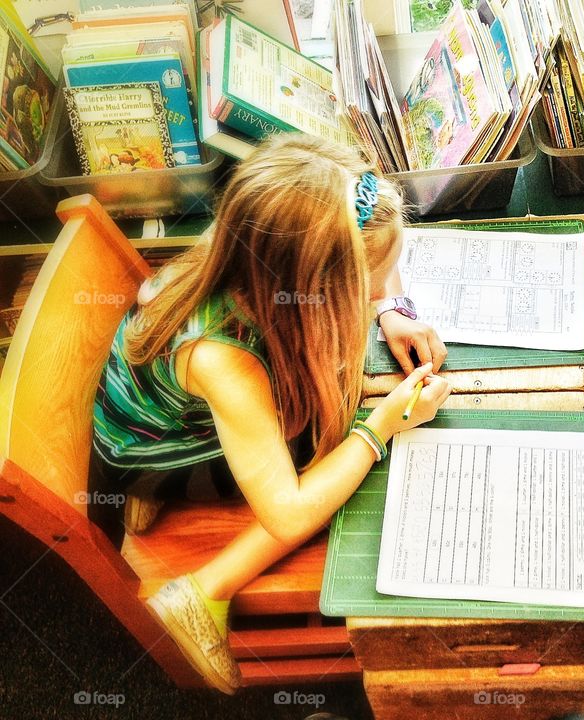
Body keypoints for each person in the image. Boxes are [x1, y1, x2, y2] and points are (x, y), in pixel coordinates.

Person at [90, 133, 451, 694]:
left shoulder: (262, 236)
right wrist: (382, 426)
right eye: (367, 284)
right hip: (151, 451)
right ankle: (201, 591)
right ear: (316, 288)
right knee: (332, 456)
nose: (379, 286)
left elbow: (370, 245)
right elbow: (287, 513)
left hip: (166, 409)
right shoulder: (224, 361)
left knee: (335, 396)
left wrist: (391, 308)